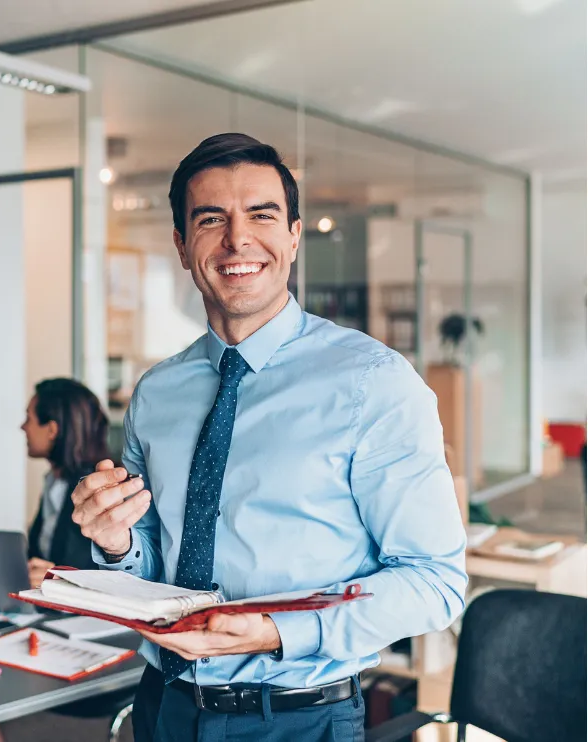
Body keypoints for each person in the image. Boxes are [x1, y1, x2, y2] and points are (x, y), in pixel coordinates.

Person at [71, 133, 468, 742]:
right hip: (165, 707)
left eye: (262, 214)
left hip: (298, 718)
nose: (238, 240)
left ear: (293, 236)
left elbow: (434, 582)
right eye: (211, 219)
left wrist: (277, 631)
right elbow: (154, 563)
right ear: (181, 244)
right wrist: (118, 541)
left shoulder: (373, 382)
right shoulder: (157, 393)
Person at [22, 378, 109, 589]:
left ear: (52, 430)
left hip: (83, 617)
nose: (23, 427)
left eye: (29, 418)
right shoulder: (53, 482)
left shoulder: (97, 490)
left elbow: (107, 577)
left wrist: (61, 580)